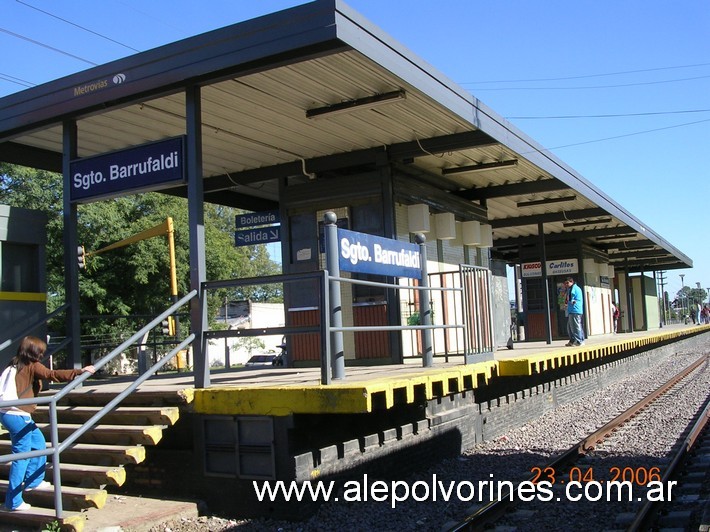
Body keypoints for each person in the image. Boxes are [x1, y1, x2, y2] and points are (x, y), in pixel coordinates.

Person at [0, 336, 95, 511]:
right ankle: (13, 502)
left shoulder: (14, 363)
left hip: (7, 413)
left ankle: (34, 481)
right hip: (18, 414)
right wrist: (81, 372)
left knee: (38, 443)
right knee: (21, 456)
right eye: (41, 351)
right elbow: (52, 375)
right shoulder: (32, 365)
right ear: (34, 352)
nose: (42, 355)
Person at [564, 277, 584, 346]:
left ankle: (579, 340)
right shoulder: (572, 288)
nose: (566, 284)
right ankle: (572, 340)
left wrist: (570, 302)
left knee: (575, 326)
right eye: (565, 283)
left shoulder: (573, 288)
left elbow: (572, 298)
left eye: (567, 283)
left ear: (571, 282)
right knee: (570, 326)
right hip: (572, 310)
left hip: (575, 310)